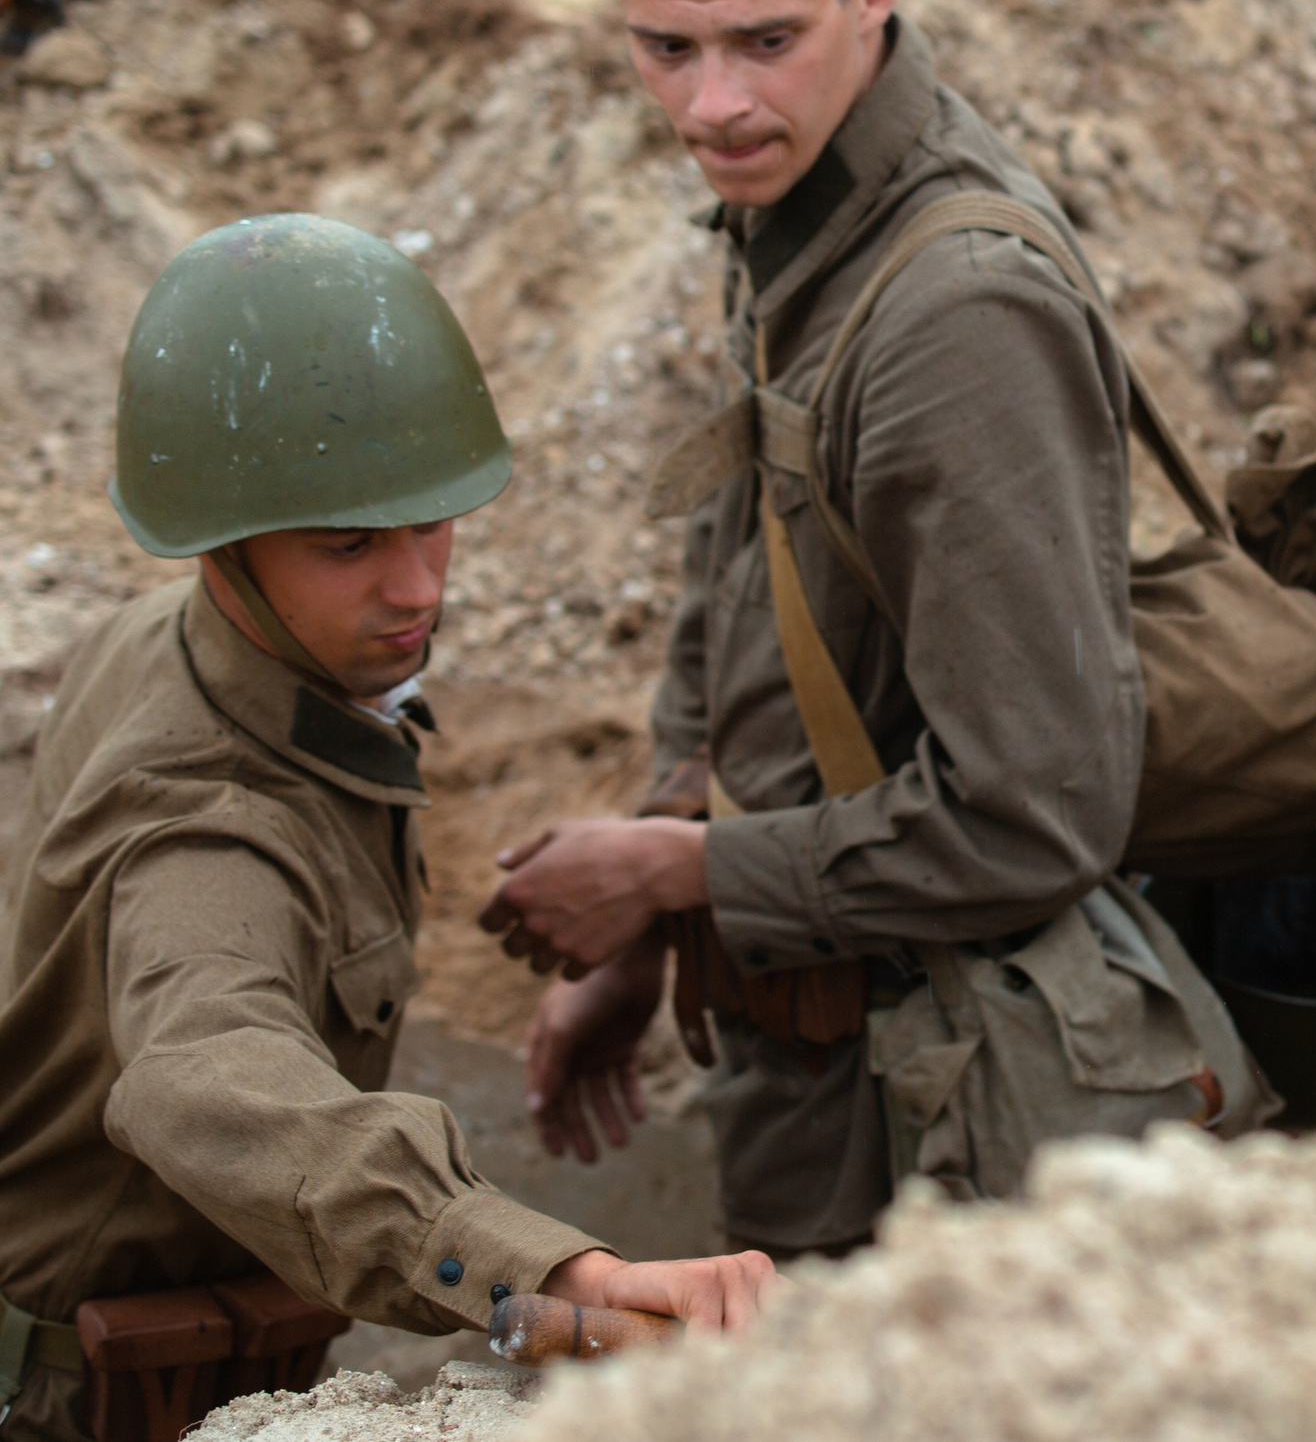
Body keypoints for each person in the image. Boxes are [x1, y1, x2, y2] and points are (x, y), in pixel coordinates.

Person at [476, 0, 1156, 1253]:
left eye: (765, 39)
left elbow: (1041, 811)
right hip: (818, 1058)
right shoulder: (801, 204)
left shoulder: (954, 314)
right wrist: (663, 901)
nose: (713, 104)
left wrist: (678, 869)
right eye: (665, 49)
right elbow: (745, 573)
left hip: (935, 1120)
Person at [0, 217, 775, 1442]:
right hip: (94, 1399)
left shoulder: (182, 642)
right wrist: (547, 1276)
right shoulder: (202, 818)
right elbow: (203, 1070)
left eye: (433, 522)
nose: (417, 586)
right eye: (351, 544)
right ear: (225, 543)